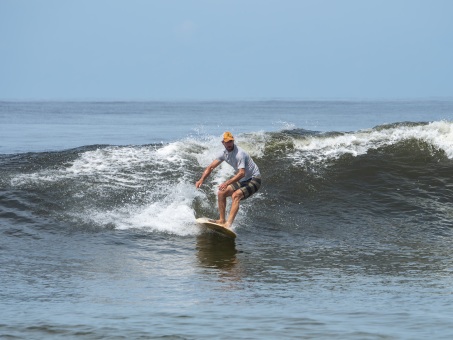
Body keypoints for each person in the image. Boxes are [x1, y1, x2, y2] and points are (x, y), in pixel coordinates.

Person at [195, 131, 261, 228]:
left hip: (255, 178)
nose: (229, 144)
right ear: (223, 143)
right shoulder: (223, 153)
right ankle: (222, 220)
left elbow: (242, 173)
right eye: (227, 142)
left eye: (230, 141)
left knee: (236, 195)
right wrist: (201, 180)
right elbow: (210, 167)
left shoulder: (240, 154)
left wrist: (227, 182)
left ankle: (228, 224)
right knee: (221, 193)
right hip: (244, 180)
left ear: (233, 141)